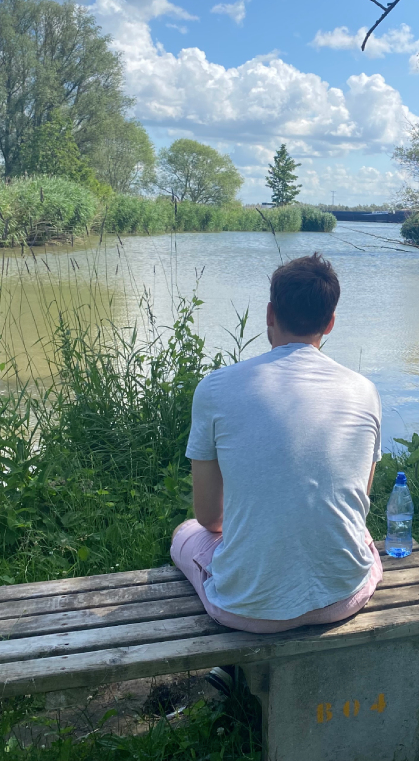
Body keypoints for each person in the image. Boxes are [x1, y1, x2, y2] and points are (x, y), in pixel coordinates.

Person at [170, 252, 383, 649]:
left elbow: (210, 518)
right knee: (355, 531)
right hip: (344, 598)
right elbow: (360, 499)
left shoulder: (216, 389)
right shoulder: (364, 391)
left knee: (185, 532)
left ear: (270, 314)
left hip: (246, 609)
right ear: (331, 323)